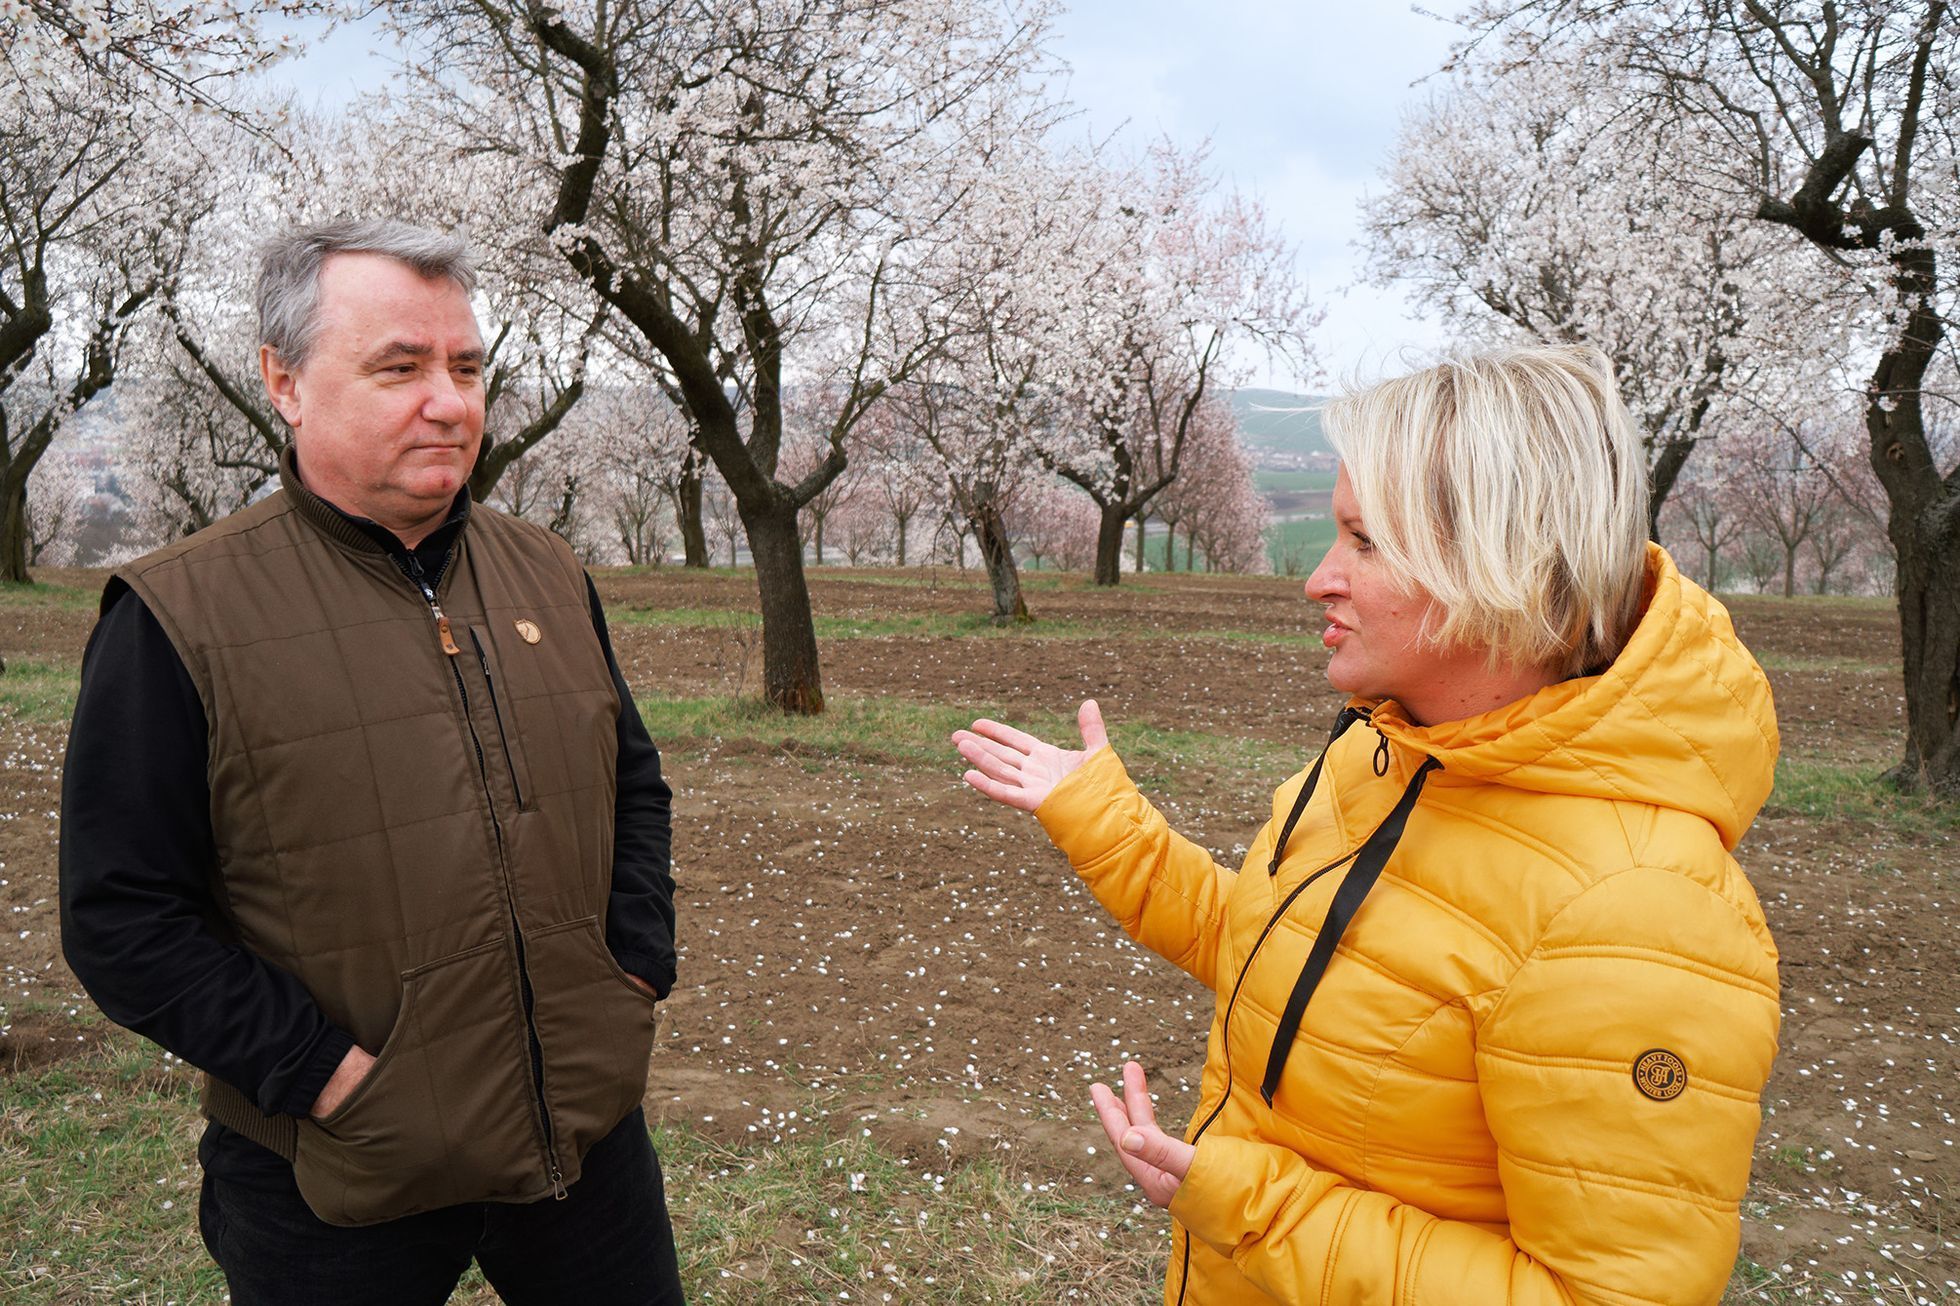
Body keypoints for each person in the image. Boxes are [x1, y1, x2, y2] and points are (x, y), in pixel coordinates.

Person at [954, 345, 1781, 1305]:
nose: (1318, 580)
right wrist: (1100, 818)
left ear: (1497, 561)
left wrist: (1251, 1206)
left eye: (1364, 540)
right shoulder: (1388, 755)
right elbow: (1277, 955)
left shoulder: (1638, 916)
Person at [59, 219, 685, 1304]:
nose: (447, 401)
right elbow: (120, 915)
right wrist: (328, 1078)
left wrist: (631, 967)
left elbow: (631, 782)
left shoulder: (545, 571)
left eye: (466, 366)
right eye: (398, 367)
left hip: (584, 1140)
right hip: (334, 1170)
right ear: (286, 380)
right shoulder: (177, 614)